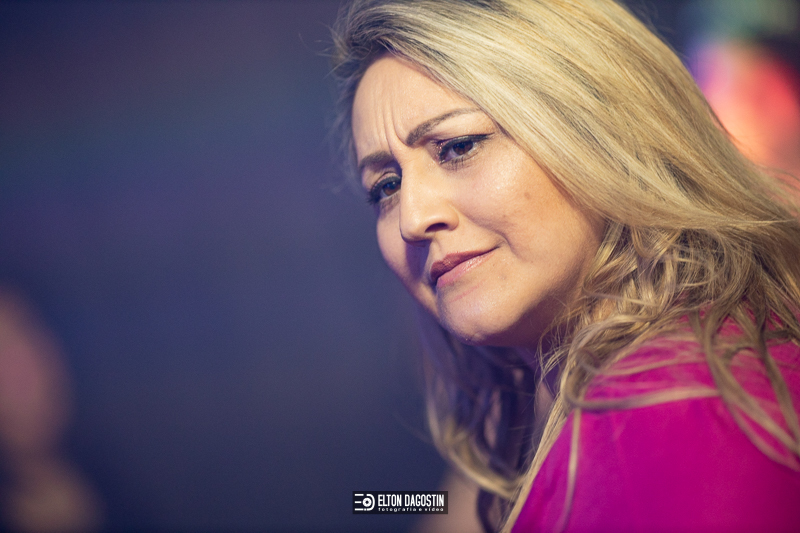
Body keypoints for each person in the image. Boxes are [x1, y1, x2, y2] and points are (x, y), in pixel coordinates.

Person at [330, 0, 800, 531]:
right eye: (386, 186)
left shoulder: (670, 409)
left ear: (595, 131)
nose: (412, 219)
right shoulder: (539, 405)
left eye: (458, 147)